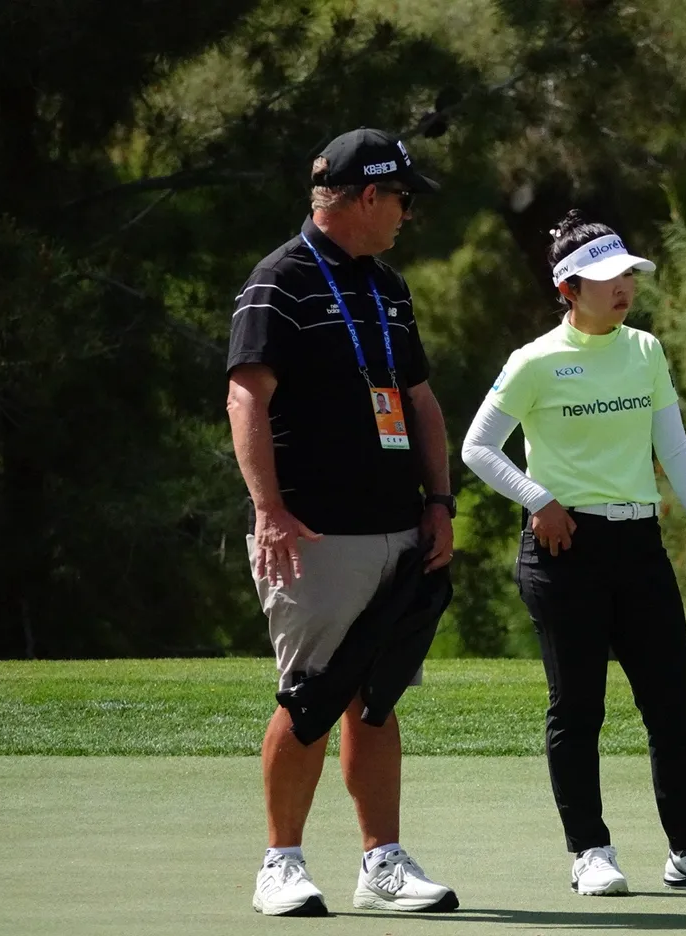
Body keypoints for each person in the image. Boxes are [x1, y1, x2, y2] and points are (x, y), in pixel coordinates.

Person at [460, 210, 686, 897]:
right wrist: (537, 499)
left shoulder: (645, 351)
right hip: (564, 549)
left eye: (628, 275)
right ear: (568, 288)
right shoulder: (534, 361)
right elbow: (478, 447)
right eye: (606, 278)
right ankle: (590, 850)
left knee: (671, 705)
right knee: (578, 711)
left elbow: (673, 447)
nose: (623, 287)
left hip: (639, 544)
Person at [226, 127, 460, 917]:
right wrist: (269, 511)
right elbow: (245, 398)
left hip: (397, 527)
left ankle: (381, 862)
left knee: (376, 697)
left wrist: (439, 503)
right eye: (401, 198)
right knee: (312, 696)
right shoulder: (279, 281)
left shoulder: (388, 287)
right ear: (366, 196)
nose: (406, 213)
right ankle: (280, 865)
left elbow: (419, 400)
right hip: (314, 533)